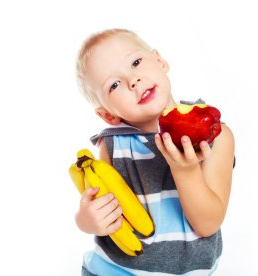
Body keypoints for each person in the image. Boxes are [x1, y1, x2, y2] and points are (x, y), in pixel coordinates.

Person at [74, 28, 235, 275]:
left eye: (136, 62)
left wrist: (186, 170)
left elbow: (208, 224)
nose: (133, 80)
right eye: (114, 84)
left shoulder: (215, 135)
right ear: (108, 114)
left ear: (160, 61)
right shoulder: (112, 146)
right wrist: (87, 221)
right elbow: (107, 207)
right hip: (116, 269)